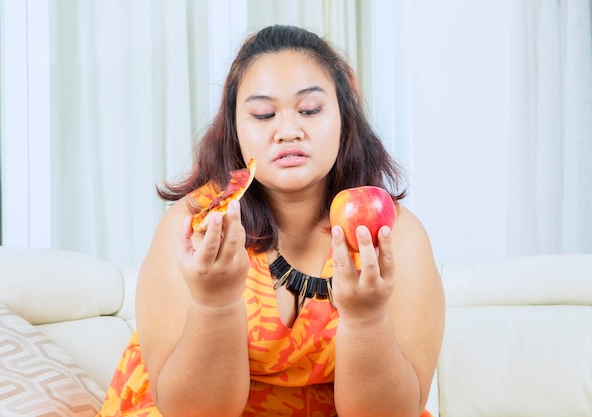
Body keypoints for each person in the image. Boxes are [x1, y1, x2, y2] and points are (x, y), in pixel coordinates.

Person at [96, 24, 445, 417]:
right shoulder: (196, 228)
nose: (288, 131)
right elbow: (192, 411)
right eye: (263, 115)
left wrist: (367, 321)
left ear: (345, 116)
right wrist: (215, 305)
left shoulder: (396, 236)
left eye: (310, 110)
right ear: (235, 128)